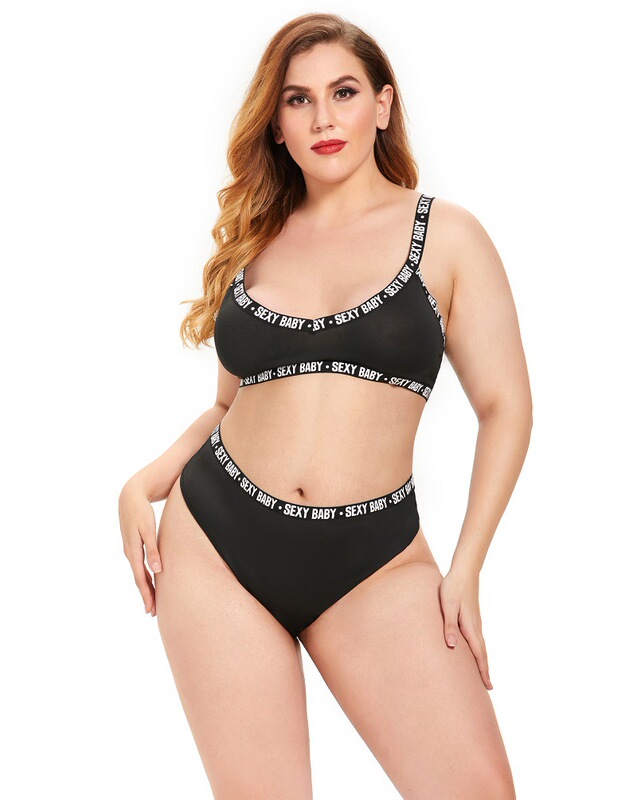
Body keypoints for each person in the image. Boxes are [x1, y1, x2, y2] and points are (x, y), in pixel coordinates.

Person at [119, 12, 531, 799]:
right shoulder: (255, 242)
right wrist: (146, 481)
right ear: (276, 124)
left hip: (374, 559)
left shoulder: (446, 236)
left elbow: (505, 406)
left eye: (342, 92)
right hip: (217, 545)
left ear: (382, 104)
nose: (322, 119)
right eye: (297, 100)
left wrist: (467, 567)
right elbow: (228, 406)